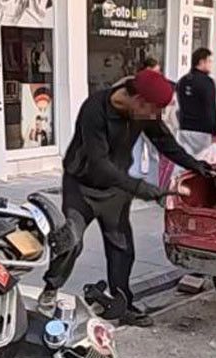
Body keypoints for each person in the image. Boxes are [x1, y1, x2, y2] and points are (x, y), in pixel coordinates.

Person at [39, 68, 206, 328]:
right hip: (82, 186)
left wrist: (196, 166)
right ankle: (50, 290)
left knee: (122, 250)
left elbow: (165, 142)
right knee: (70, 241)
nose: (157, 117)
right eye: (154, 110)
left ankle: (122, 304)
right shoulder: (94, 109)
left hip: (115, 191)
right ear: (137, 99)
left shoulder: (143, 112)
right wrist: (141, 188)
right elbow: (99, 163)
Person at [176, 47, 216, 155]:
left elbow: (179, 104)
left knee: (186, 161)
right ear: (201, 62)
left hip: (184, 128)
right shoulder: (207, 82)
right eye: (209, 61)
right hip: (202, 130)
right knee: (203, 160)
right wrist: (214, 131)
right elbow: (210, 107)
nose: (210, 65)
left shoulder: (182, 81)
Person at [132, 57, 163, 178]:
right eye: (156, 71)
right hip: (150, 121)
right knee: (153, 155)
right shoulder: (154, 85)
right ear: (149, 70)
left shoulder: (134, 82)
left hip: (135, 121)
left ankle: (134, 180)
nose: (158, 74)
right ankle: (153, 182)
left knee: (135, 152)